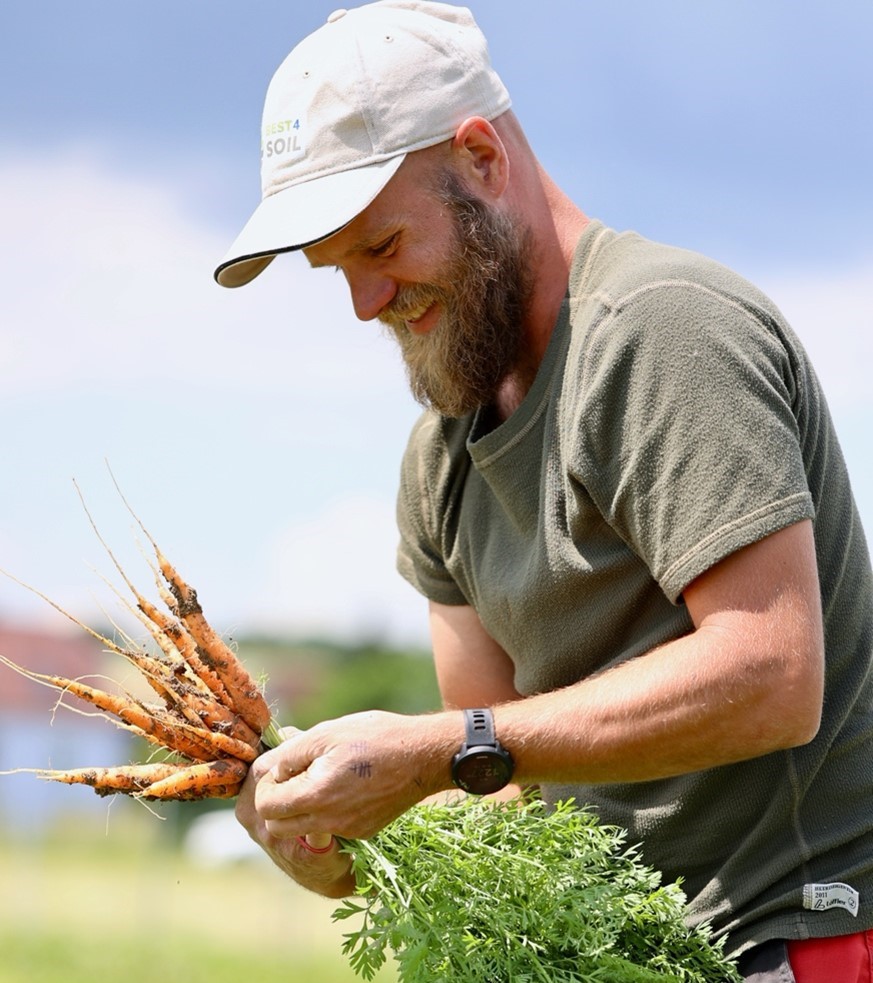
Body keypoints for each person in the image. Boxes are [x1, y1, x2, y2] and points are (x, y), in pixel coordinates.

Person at [216, 2, 873, 979]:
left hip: (784, 935)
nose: (363, 302)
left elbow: (774, 677)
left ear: (481, 155)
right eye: (335, 268)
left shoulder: (664, 335)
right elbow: (498, 785)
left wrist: (448, 744)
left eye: (383, 244)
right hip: (610, 955)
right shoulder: (441, 454)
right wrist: (343, 841)